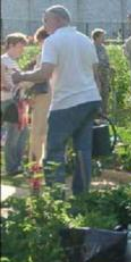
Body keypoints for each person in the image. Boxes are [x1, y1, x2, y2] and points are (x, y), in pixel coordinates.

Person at [12, 5, 102, 195]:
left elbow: (45, 74)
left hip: (66, 103)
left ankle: (55, 197)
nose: (44, 25)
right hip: (90, 100)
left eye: (46, 20)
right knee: (83, 151)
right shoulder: (85, 40)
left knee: (54, 150)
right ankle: (81, 194)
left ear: (59, 20)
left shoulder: (53, 41)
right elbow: (94, 73)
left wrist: (20, 76)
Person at [1, 33, 29, 176]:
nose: (22, 50)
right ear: (11, 45)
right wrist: (17, 86)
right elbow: (4, 82)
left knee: (22, 134)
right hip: (10, 102)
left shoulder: (13, 62)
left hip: (19, 101)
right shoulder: (3, 61)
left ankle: (17, 165)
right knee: (14, 134)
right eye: (20, 46)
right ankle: (11, 167)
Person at [25, 27, 52, 171]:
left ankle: (35, 164)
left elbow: (38, 76)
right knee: (52, 131)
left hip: (44, 95)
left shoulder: (45, 54)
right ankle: (51, 163)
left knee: (37, 131)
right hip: (58, 95)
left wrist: (22, 85)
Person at [92, 28, 112, 115]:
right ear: (96, 37)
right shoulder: (91, 47)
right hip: (96, 72)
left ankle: (104, 112)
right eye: (102, 37)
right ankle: (96, 112)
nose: (104, 38)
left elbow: (106, 60)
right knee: (97, 92)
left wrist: (110, 67)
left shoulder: (103, 48)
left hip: (104, 72)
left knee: (105, 92)